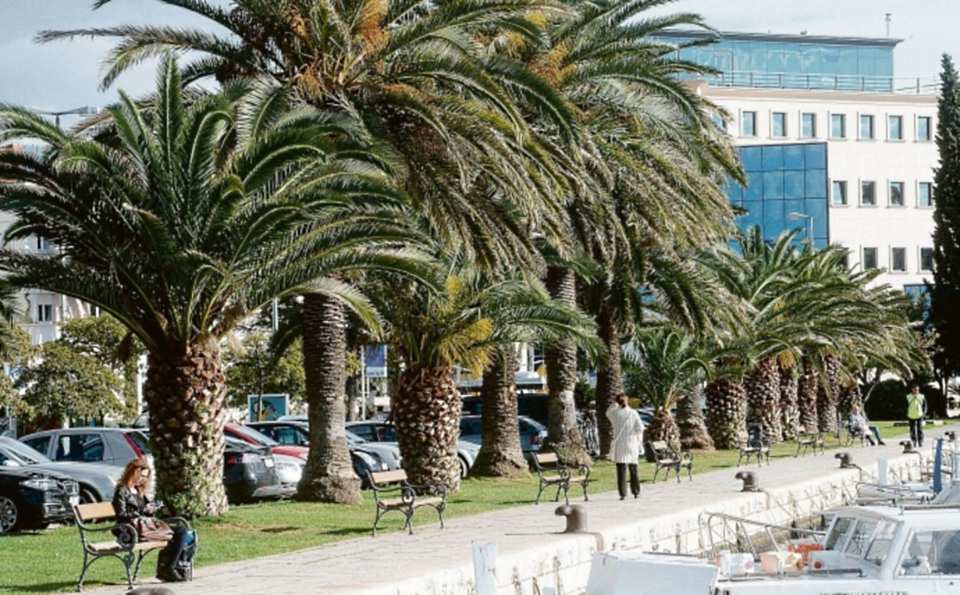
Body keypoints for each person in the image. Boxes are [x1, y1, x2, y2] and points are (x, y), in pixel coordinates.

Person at [113, 458, 173, 543]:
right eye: (140, 475)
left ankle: (172, 552)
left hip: (144, 527)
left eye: (145, 477)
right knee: (177, 534)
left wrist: (151, 509)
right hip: (129, 530)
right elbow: (121, 514)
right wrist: (141, 511)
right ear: (132, 473)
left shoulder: (139, 490)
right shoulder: (122, 490)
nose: (142, 479)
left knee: (180, 532)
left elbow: (145, 512)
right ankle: (172, 552)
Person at [606, 393, 644, 500]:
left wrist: (614, 404)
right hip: (632, 443)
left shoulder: (614, 413)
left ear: (617, 402)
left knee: (621, 470)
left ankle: (623, 494)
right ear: (627, 401)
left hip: (619, 445)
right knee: (633, 469)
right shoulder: (633, 413)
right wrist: (639, 442)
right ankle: (636, 492)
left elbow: (607, 412)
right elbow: (640, 429)